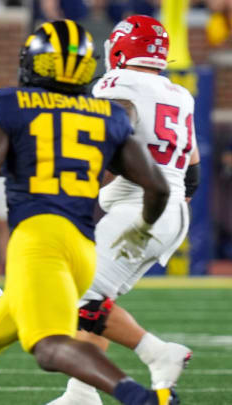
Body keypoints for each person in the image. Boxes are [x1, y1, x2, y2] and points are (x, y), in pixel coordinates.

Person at [0, 20, 178, 405]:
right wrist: (144, 227)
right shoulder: (107, 113)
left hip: (38, 242)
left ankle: (137, 397)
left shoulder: (9, 105)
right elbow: (158, 186)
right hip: (81, 248)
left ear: (34, 63)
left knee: (47, 348)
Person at [48, 15, 198, 405]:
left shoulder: (117, 83)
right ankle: (80, 393)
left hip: (142, 206)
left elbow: (119, 121)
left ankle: (157, 353)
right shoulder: (180, 94)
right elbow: (192, 169)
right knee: (97, 297)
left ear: (117, 48)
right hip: (170, 209)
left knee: (80, 295)